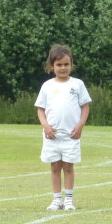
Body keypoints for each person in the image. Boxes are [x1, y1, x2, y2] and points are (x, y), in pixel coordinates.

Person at [35, 44, 91, 210]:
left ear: (71, 65)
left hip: (71, 136)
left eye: (66, 64)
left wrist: (80, 126)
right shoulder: (47, 86)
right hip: (52, 136)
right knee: (55, 167)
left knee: (68, 167)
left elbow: (85, 107)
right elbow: (41, 109)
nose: (63, 68)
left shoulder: (78, 84)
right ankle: (57, 200)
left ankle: (68, 200)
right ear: (52, 66)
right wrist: (46, 126)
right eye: (59, 64)